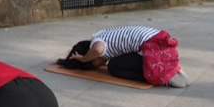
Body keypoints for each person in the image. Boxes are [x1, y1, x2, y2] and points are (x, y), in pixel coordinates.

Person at [58, 25, 190, 87]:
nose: (98, 66)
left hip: (152, 47)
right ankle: (169, 67)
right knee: (118, 61)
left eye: (93, 65)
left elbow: (98, 50)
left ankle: (161, 74)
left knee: (114, 66)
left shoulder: (97, 41)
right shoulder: (105, 36)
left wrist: (83, 58)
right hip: (159, 43)